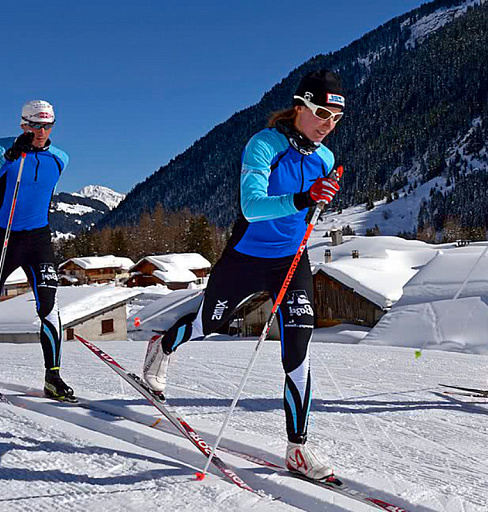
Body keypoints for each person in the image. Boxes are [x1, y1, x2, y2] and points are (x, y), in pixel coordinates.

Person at [142, 69, 344, 480]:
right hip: (247, 256)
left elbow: (307, 210)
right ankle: (163, 345)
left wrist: (318, 201)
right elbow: (253, 207)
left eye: (336, 118)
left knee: (299, 352)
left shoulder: (325, 157)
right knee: (210, 323)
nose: (328, 124)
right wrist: (306, 196)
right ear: (300, 105)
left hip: (292, 260)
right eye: (322, 112)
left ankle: (298, 449)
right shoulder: (263, 145)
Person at [0, 100, 74, 402]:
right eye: (35, 125)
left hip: (38, 239)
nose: (41, 131)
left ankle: (53, 377)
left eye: (47, 126)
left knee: (48, 306)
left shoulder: (60, 158)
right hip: (2, 236)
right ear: (23, 124)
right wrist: (11, 156)